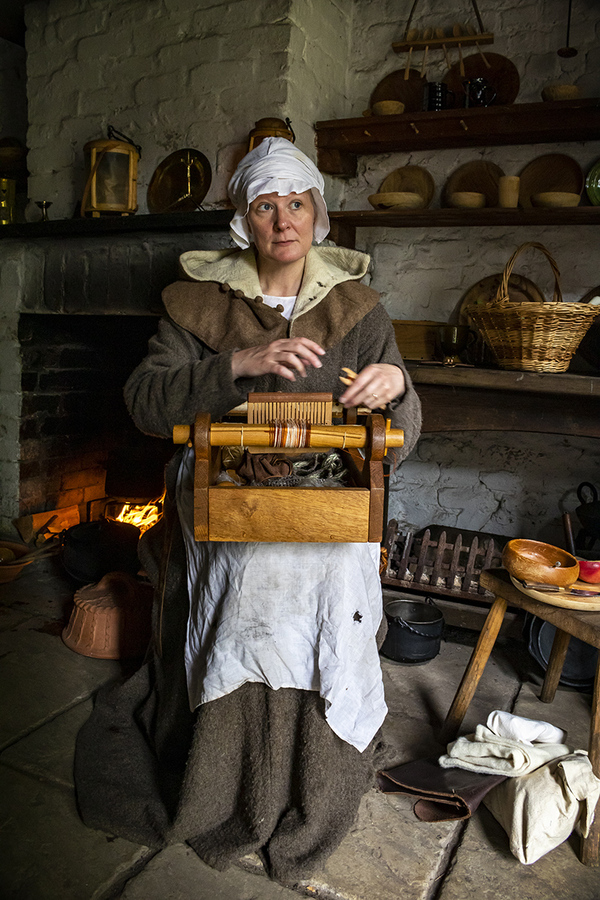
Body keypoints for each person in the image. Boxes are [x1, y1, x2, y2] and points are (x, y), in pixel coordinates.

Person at [74, 137, 422, 885]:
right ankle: (225, 778)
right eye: (266, 205)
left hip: (330, 486)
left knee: (332, 568)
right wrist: (235, 365)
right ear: (244, 220)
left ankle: (315, 771)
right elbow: (142, 402)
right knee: (251, 568)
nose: (283, 220)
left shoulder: (357, 310)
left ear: (317, 214)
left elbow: (407, 422)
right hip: (221, 484)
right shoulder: (199, 304)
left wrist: (393, 385)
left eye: (296, 202)